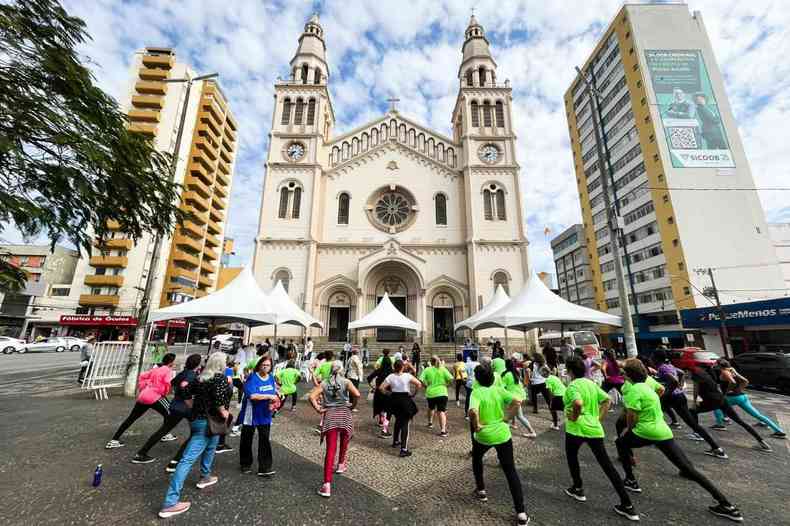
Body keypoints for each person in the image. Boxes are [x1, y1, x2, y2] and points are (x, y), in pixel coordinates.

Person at [615, 359, 743, 522]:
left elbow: (631, 417)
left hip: (645, 431)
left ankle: (631, 480)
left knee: (621, 442)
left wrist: (631, 428)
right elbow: (660, 391)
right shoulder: (649, 385)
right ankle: (726, 505)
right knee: (688, 468)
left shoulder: (633, 390)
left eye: (624, 372)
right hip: (663, 431)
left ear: (628, 375)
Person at [561, 357, 638, 521]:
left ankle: (578, 487)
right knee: (607, 466)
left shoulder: (572, 386)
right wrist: (598, 418)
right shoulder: (590, 383)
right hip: (594, 428)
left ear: (570, 371)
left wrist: (574, 417)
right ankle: (628, 505)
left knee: (572, 457)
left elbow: (578, 403)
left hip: (576, 429)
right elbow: (607, 400)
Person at [158, 352, 232, 518]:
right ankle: (170, 503)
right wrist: (227, 414)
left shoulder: (200, 377)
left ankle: (205, 476)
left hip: (197, 419)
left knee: (211, 446)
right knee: (187, 459)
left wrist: (193, 406)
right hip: (210, 421)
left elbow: (183, 391)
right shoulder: (219, 378)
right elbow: (220, 404)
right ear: (221, 364)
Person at [468, 363, 529, 526]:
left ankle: (481, 490)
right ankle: (521, 513)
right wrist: (507, 417)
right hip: (502, 433)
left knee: (477, 458)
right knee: (510, 471)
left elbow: (473, 411)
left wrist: (476, 425)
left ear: (478, 379)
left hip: (485, 435)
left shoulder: (476, 392)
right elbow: (517, 401)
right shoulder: (499, 389)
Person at [651, 349, 728, 458]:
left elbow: (673, 381)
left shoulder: (662, 367)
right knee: (660, 418)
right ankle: (716, 448)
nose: (651, 359)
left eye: (652, 356)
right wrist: (679, 387)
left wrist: (666, 394)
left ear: (656, 358)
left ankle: (716, 448)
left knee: (657, 417)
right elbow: (681, 373)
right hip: (679, 396)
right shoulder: (669, 365)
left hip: (673, 398)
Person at [134, 354, 202, 464]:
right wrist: (189, 398)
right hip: (186, 407)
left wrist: (179, 391)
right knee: (197, 432)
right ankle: (177, 460)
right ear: (198, 364)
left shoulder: (183, 373)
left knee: (163, 430)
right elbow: (184, 385)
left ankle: (141, 453)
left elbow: (173, 382)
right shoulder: (191, 374)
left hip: (175, 405)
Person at [690, 365, 772, 452]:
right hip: (721, 399)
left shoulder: (696, 376)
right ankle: (762, 442)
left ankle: (697, 434)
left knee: (692, 411)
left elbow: (696, 390)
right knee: (740, 421)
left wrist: (694, 401)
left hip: (713, 401)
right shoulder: (708, 375)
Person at [310, 360, 360, 497]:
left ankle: (326, 484)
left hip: (330, 414)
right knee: (345, 439)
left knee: (330, 449)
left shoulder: (325, 383)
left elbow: (311, 396)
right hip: (344, 413)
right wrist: (352, 406)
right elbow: (357, 394)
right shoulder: (346, 382)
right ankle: (341, 464)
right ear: (342, 369)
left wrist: (319, 409)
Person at [106, 353, 176, 449]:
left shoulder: (155, 369)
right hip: (155, 396)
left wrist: (145, 386)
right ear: (171, 362)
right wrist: (165, 392)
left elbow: (142, 376)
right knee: (171, 414)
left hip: (143, 395)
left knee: (131, 418)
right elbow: (168, 383)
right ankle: (165, 434)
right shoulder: (168, 370)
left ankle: (114, 440)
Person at [712, 359, 785, 438]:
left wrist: (727, 392)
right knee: (757, 415)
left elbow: (733, 382)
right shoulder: (732, 370)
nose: (714, 365)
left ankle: (720, 424)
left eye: (716, 363)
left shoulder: (724, 372)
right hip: (742, 396)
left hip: (732, 397)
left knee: (716, 406)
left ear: (719, 365)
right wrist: (739, 389)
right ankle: (779, 431)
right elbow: (745, 381)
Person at [239, 355, 279, 476]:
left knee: (265, 439)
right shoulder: (252, 377)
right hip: (251, 413)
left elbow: (274, 390)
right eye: (263, 365)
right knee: (247, 438)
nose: (265, 367)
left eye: (268, 365)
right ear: (259, 365)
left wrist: (276, 397)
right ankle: (245, 464)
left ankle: (265, 467)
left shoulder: (271, 377)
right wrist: (269, 397)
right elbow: (251, 395)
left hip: (265, 413)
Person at [380, 359, 421, 457]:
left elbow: (381, 388)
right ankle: (404, 449)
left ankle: (395, 441)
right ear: (402, 367)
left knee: (398, 420)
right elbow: (419, 384)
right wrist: (414, 394)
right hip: (405, 399)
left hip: (394, 399)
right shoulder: (407, 376)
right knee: (405, 423)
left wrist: (389, 393)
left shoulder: (391, 376)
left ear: (394, 367)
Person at [420, 355, 453, 437]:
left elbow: (420, 379)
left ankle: (430, 422)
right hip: (442, 392)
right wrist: (447, 385)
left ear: (430, 362)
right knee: (441, 411)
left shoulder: (427, 369)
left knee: (431, 408)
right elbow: (451, 379)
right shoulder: (443, 369)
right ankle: (443, 430)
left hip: (431, 393)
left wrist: (425, 386)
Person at [502, 358, 536, 438]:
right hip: (519, 396)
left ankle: (532, 431)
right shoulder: (516, 373)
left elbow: (502, 387)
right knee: (516, 415)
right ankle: (513, 426)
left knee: (511, 415)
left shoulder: (506, 375)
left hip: (512, 398)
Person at [367, 349, 393, 435]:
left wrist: (373, 387)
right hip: (388, 392)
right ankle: (385, 426)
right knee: (387, 408)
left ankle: (381, 420)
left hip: (379, 391)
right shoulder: (391, 372)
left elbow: (369, 378)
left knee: (380, 406)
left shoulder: (379, 370)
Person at [544, 366, 566, 430]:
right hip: (564, 393)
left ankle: (555, 425)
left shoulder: (547, 379)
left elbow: (550, 392)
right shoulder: (554, 377)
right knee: (565, 409)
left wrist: (551, 401)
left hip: (557, 395)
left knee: (552, 409)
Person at [464, 350, 480, 418]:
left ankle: (467, 414)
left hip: (469, 382)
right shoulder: (478, 364)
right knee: (477, 398)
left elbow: (464, 372)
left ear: (470, 357)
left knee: (468, 398)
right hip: (477, 383)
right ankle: (477, 413)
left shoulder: (467, 364)